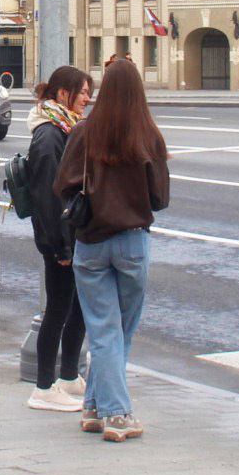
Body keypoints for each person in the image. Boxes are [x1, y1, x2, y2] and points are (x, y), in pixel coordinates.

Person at [54, 55, 170, 442]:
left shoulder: (85, 132)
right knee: (119, 331)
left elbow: (63, 185)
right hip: (132, 242)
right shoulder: (148, 134)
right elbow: (159, 198)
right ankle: (118, 416)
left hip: (90, 243)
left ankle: (92, 408)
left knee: (105, 331)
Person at [22, 65, 93, 413]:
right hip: (59, 238)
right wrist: (60, 246)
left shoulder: (66, 127)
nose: (87, 98)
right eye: (82, 92)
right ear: (62, 94)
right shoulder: (49, 134)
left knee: (77, 305)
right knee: (58, 309)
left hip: (71, 234)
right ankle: (43, 386)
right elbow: (48, 198)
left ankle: (67, 376)